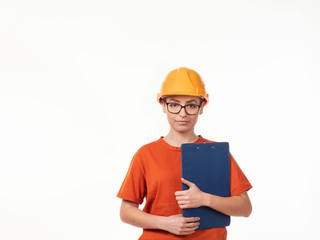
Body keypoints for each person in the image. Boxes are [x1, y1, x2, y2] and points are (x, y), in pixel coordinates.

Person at [117, 67, 252, 240]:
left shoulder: (217, 153)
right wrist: (164, 223)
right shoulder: (146, 154)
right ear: (163, 106)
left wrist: (204, 199)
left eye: (191, 105)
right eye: (174, 104)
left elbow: (245, 208)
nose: (182, 113)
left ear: (202, 106)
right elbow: (126, 211)